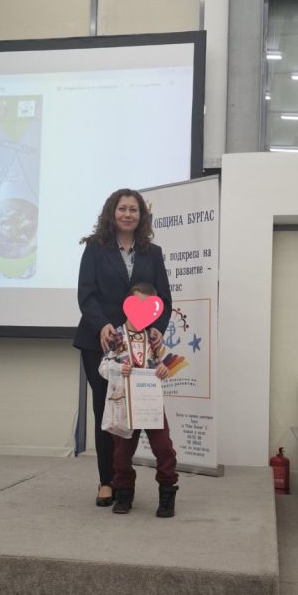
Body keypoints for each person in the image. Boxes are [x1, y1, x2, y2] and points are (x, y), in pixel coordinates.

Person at [74, 189, 172, 507]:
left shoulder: (152, 253)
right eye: (122, 209)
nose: (128, 214)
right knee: (107, 410)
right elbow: (86, 294)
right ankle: (107, 481)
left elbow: (163, 299)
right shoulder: (95, 248)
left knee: (142, 415)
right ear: (111, 212)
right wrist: (102, 324)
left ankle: (124, 481)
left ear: (142, 216)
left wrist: (157, 329)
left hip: (141, 347)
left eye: (134, 209)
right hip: (100, 342)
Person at [98, 283, 178, 518]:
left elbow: (163, 363)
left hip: (150, 402)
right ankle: (124, 493)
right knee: (122, 453)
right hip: (124, 403)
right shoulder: (115, 336)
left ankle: (167, 493)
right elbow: (103, 367)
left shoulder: (153, 337)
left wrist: (163, 369)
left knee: (163, 447)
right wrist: (117, 369)